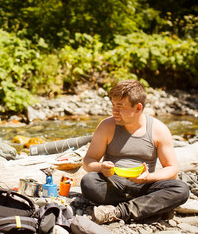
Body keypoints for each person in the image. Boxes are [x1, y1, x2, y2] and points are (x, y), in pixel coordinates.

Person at [80, 79, 189, 224]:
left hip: (144, 185)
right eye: (113, 105)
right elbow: (88, 161)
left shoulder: (158, 129)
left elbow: (172, 169)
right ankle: (147, 208)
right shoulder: (106, 126)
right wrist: (100, 167)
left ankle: (119, 211)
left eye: (120, 106)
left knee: (181, 189)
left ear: (138, 108)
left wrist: (148, 178)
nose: (114, 111)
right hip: (114, 183)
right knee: (88, 181)